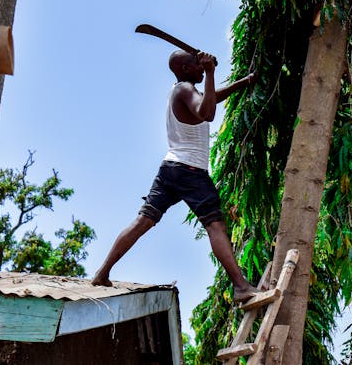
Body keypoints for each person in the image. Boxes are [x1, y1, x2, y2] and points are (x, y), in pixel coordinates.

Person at [92, 49, 260, 303]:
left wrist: (243, 83)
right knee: (215, 225)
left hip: (170, 169)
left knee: (143, 221)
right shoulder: (184, 90)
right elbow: (208, 113)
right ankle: (241, 286)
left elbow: (209, 101)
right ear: (184, 69)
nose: (202, 69)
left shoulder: (183, 92)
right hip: (190, 171)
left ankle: (102, 273)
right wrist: (213, 72)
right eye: (198, 66)